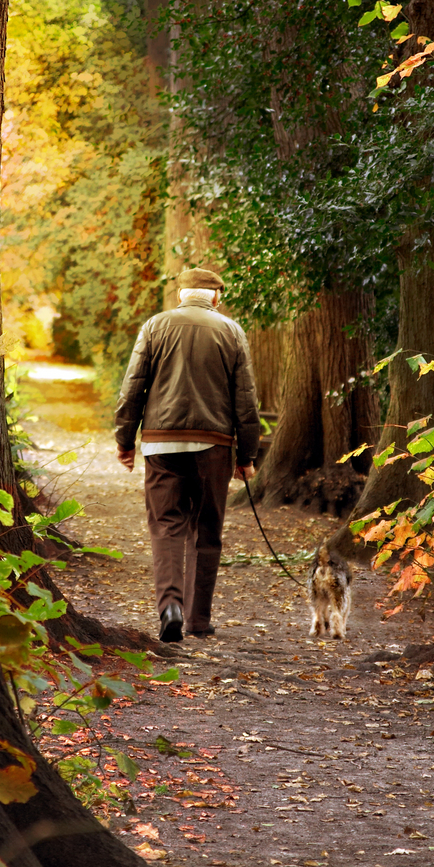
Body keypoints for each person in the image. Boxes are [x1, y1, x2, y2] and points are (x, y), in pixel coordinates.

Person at [114, 267, 261, 643]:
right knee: (207, 530)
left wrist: (125, 441)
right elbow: (245, 400)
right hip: (214, 445)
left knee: (166, 526)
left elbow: (133, 388)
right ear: (216, 297)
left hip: (161, 443)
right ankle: (197, 619)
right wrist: (247, 455)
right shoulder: (232, 331)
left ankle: (170, 607)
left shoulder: (155, 326)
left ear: (181, 295)